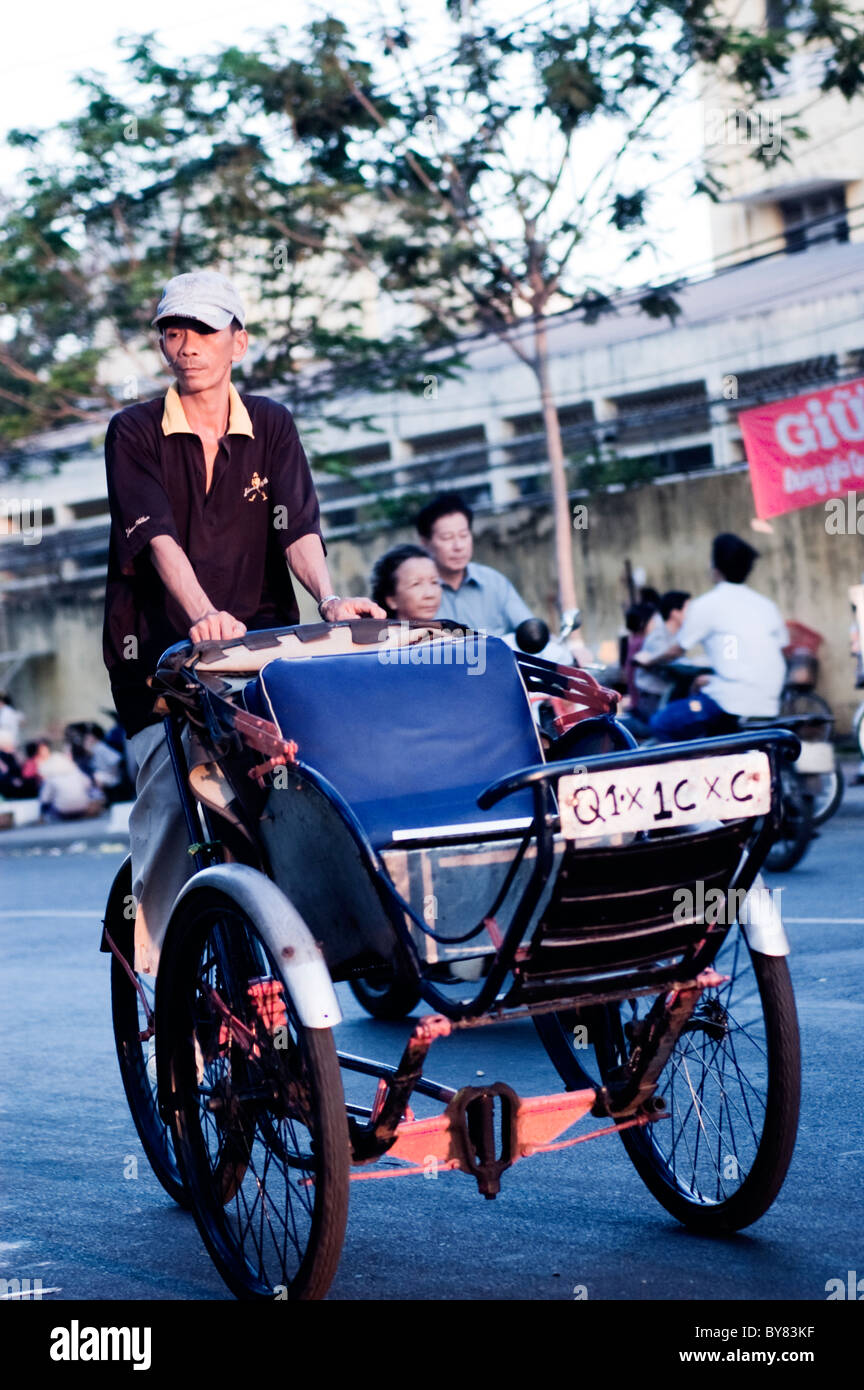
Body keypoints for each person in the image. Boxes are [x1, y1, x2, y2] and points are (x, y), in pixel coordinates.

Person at [102, 269, 384, 975]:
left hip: (259, 647)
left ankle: (332, 935)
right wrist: (201, 615)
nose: (186, 345)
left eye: (202, 329)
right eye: (174, 330)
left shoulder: (273, 424)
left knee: (300, 781)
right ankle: (168, 976)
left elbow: (296, 528)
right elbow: (156, 537)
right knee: (171, 801)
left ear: (238, 339)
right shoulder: (133, 431)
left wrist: (329, 598)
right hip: (159, 654)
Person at [637, 534, 787, 741]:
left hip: (731, 701)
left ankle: (692, 771)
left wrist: (648, 661)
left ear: (715, 568)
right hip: (769, 700)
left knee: (661, 722)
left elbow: (676, 650)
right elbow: (770, 649)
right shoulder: (767, 605)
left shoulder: (707, 605)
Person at [414, 493, 533, 635]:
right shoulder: (416, 592)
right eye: (447, 538)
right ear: (425, 543)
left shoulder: (494, 582)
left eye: (463, 535)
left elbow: (528, 628)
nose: (458, 546)